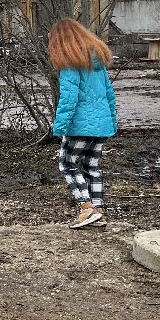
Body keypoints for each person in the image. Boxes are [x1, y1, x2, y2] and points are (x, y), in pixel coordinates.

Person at [49, 18, 117, 229]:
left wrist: (60, 127)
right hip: (101, 126)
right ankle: (98, 211)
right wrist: (112, 122)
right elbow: (109, 94)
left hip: (80, 126)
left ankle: (86, 208)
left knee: (67, 164)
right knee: (92, 167)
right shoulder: (97, 62)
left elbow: (69, 99)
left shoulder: (70, 63)